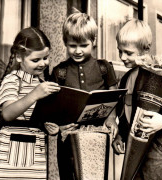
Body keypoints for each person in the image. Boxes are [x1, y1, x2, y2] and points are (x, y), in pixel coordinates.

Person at [112, 19, 162, 180]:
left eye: (128, 53)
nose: (122, 57)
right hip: (135, 151)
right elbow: (127, 111)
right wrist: (120, 135)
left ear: (145, 49)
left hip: (159, 149)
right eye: (120, 51)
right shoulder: (126, 78)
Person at [48, 12, 119, 179]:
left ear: (93, 41)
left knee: (95, 174)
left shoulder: (104, 67)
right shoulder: (60, 71)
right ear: (65, 42)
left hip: (97, 135)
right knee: (68, 174)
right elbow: (52, 105)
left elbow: (114, 96)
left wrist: (111, 119)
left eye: (84, 45)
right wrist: (58, 125)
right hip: (68, 136)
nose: (78, 51)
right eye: (72, 45)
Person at [0, 27, 60, 180]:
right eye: (35, 60)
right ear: (18, 57)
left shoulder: (41, 83)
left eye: (46, 58)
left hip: (35, 155)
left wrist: (49, 127)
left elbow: (35, 117)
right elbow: (8, 114)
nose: (43, 63)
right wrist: (35, 94)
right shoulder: (12, 80)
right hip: (10, 157)